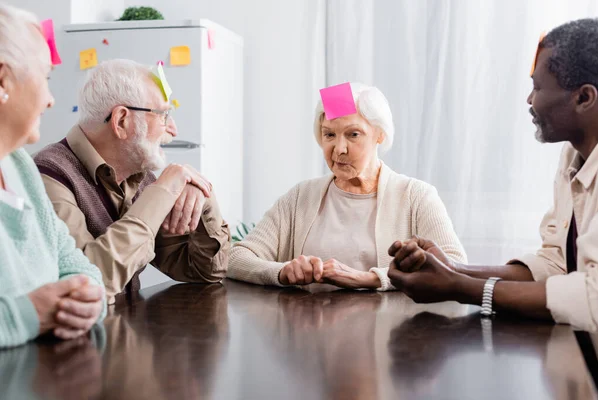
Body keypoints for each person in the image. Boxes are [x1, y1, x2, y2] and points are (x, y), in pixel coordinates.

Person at [388, 18, 598, 330]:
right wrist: (455, 270)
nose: (530, 101)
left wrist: (459, 288)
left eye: (538, 88)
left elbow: (593, 297)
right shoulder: (573, 157)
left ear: (584, 98)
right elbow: (557, 264)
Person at [228, 83, 466, 290]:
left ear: (379, 135)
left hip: (389, 336)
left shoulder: (416, 196)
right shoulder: (301, 196)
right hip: (310, 335)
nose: (339, 149)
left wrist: (370, 279)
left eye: (353, 134)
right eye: (329, 135)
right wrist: (282, 272)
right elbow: (236, 257)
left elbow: (454, 267)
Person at [34, 59, 231, 304]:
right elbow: (87, 283)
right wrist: (161, 192)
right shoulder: (49, 176)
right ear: (121, 121)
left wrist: (203, 194)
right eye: (163, 115)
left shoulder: (139, 178)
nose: (173, 129)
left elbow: (205, 272)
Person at [0, 4, 105, 348]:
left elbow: (82, 269)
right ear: (3, 80)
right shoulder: (51, 166)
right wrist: (26, 314)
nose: (50, 100)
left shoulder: (21, 167)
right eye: (45, 79)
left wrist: (87, 302)